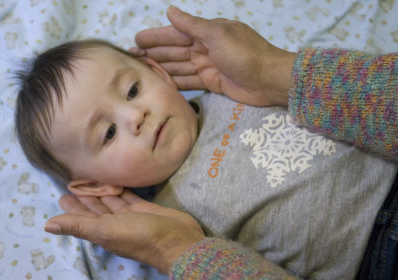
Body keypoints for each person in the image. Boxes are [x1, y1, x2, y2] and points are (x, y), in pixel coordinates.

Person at [39, 5, 398, 280]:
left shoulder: (234, 86)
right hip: (373, 259)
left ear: (158, 72)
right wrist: (175, 249)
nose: (135, 117)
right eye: (109, 133)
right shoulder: (171, 220)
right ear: (96, 184)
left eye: (133, 90)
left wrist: (276, 71)